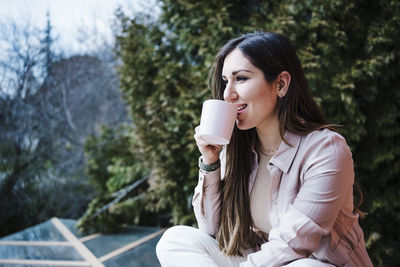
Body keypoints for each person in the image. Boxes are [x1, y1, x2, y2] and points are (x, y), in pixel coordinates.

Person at [156, 32, 373, 267]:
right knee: (175, 239)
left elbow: (293, 244)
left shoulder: (326, 150)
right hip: (262, 262)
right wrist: (210, 161)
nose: (228, 94)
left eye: (241, 78)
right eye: (226, 81)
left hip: (312, 263)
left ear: (280, 84)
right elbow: (211, 228)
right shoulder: (237, 148)